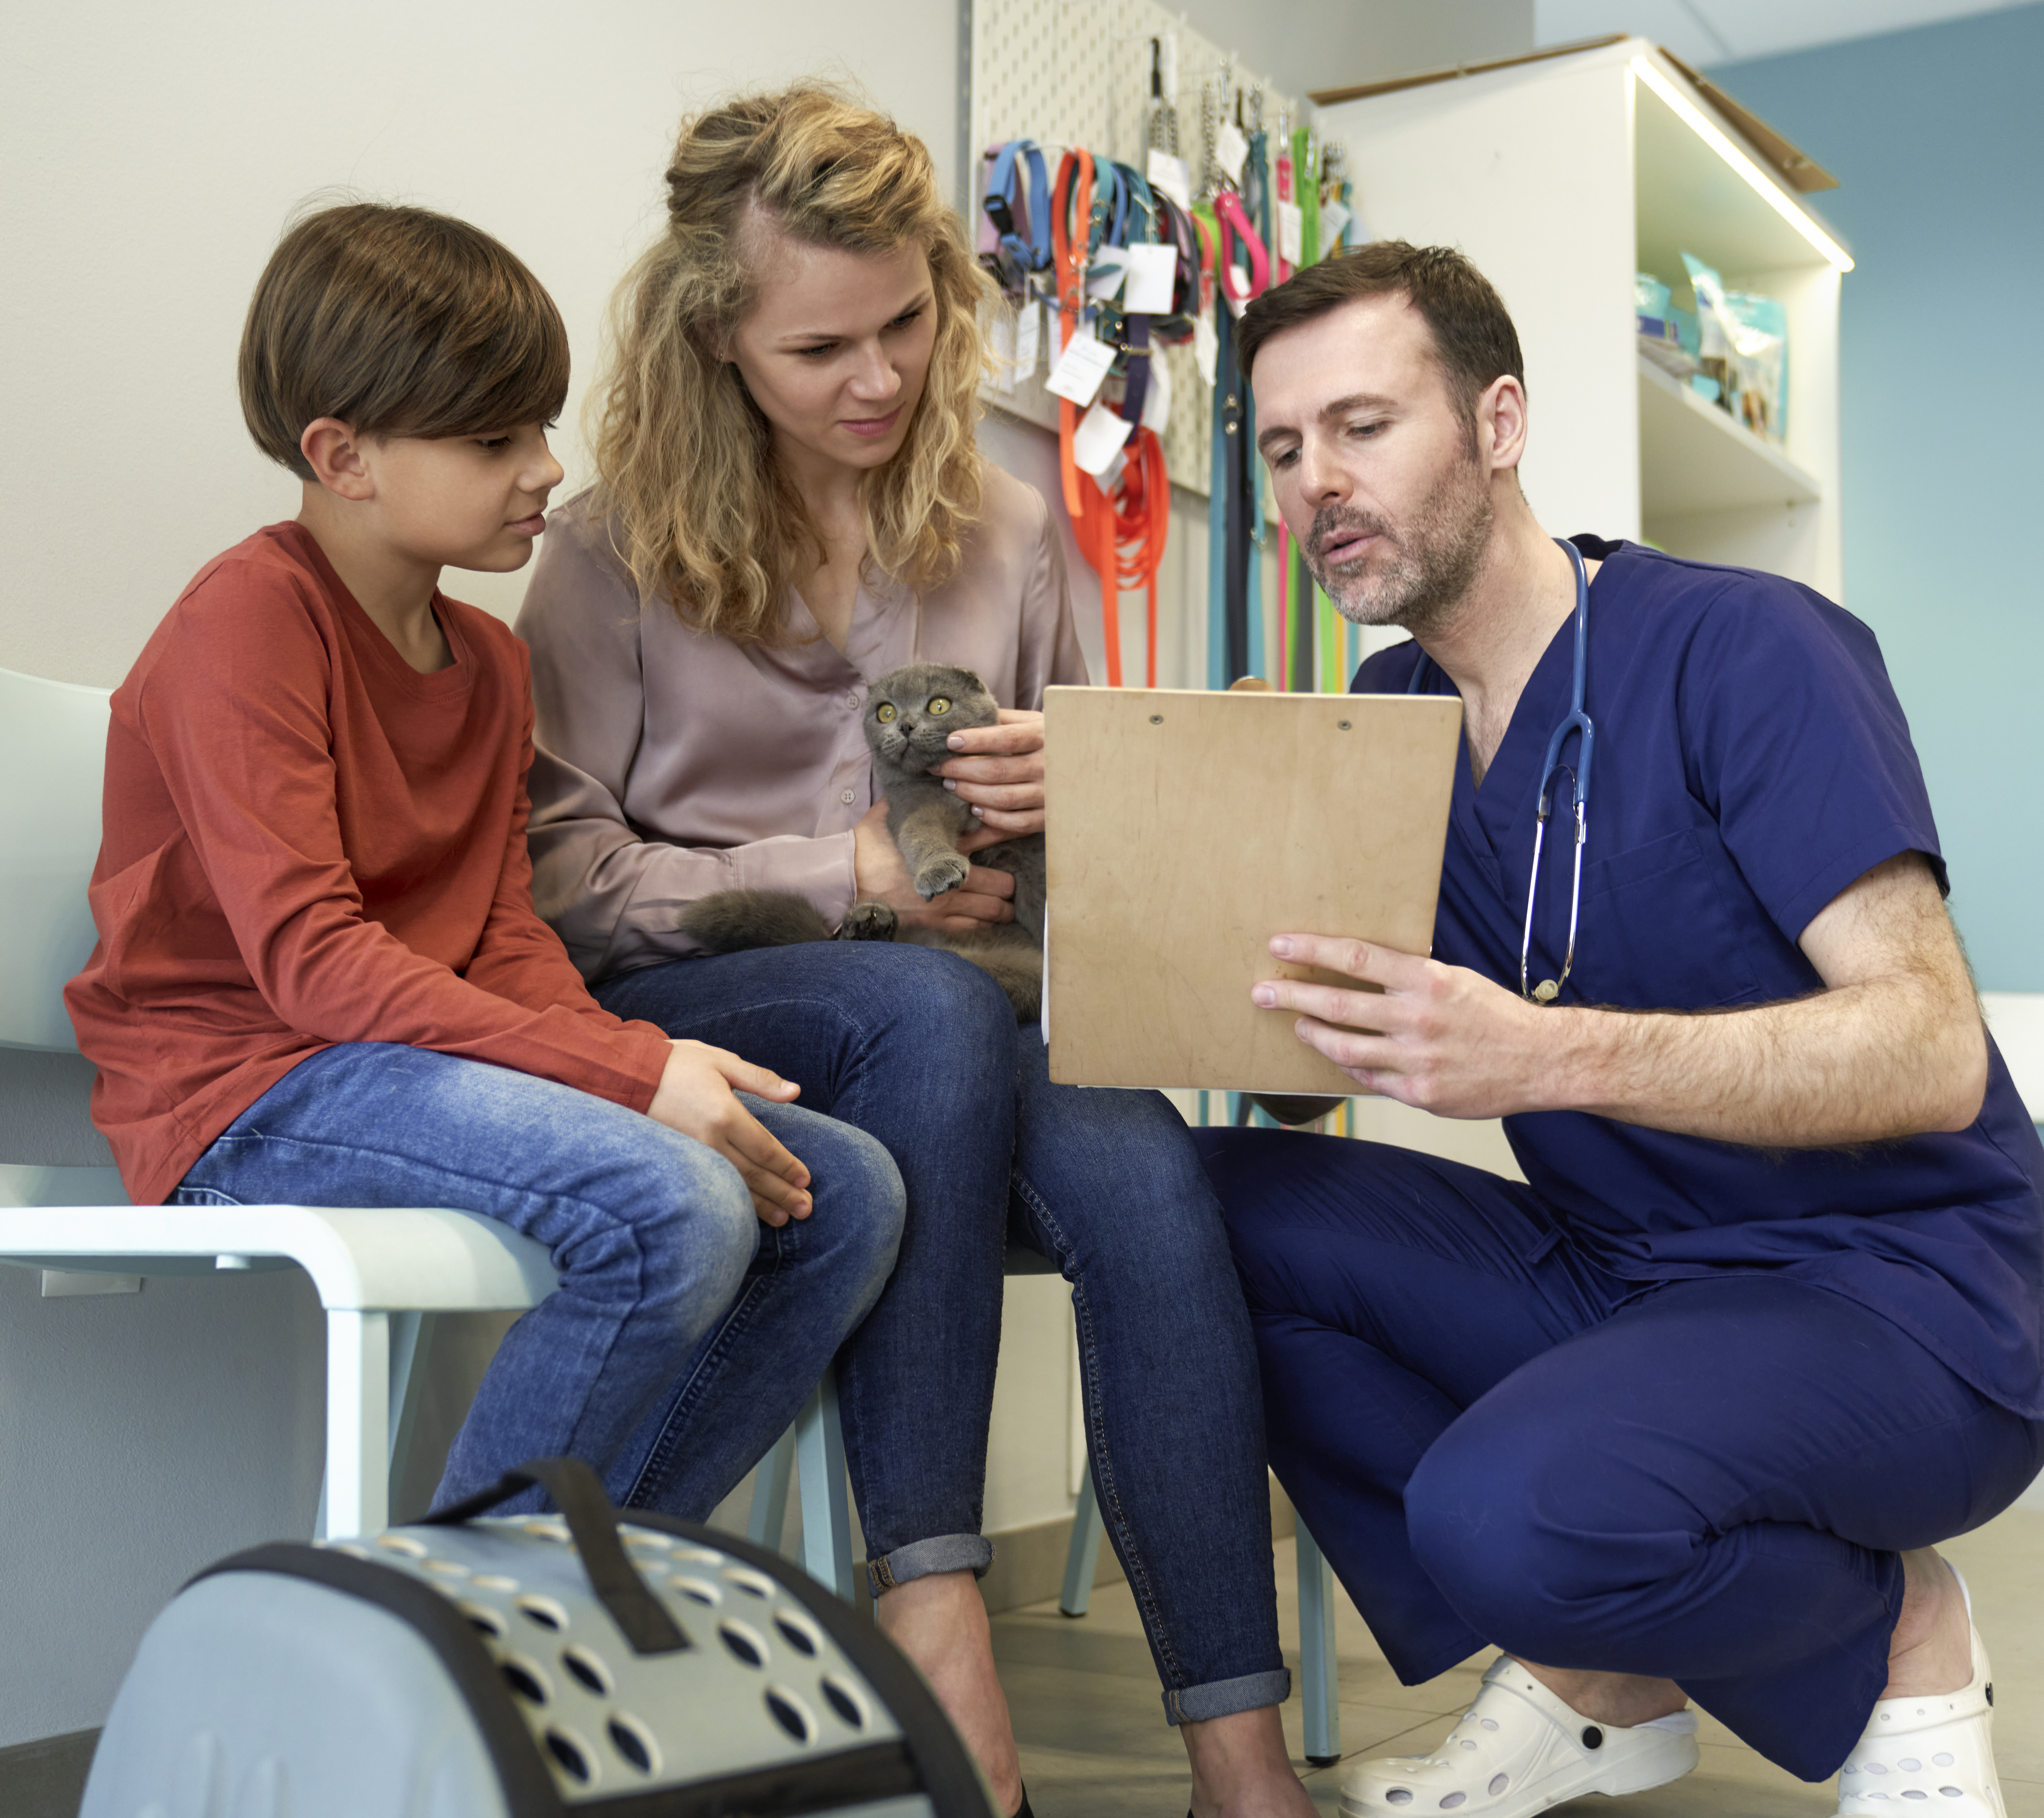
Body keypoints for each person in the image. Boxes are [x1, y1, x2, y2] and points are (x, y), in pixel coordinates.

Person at [1194, 242, 2044, 1818]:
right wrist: (1221, 844)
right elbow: (1298, 1100)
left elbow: (1929, 1049)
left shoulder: (1748, 650)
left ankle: (1895, 1634)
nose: (1314, 482)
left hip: (1894, 1296)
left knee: (1502, 1515)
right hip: (1621, 1276)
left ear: (1497, 422)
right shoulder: (1384, 720)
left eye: (1361, 426)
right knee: (1194, 1209)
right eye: (1280, 449)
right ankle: (1603, 1680)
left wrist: (1544, 1056)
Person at [517, 87, 1312, 1818]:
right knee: (924, 1007)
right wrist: (849, 876)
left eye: (905, 323)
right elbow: (557, 880)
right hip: (712, 1012)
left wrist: (1088, 794)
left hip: (975, 1015)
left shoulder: (1009, 531)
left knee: (1148, 1174)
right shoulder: (603, 550)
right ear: (718, 342)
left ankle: (1242, 1770)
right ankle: (934, 1615)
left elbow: (1074, 886)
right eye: (820, 349)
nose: (878, 378)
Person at [65, 202, 905, 1525]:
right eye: (492, 440)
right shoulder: (248, 622)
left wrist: (624, 1060)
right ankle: (465, 1613)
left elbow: (504, 934)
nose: (545, 470)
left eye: (540, 428)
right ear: (342, 455)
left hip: (398, 1062)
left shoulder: (492, 663)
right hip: (241, 1087)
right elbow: (313, 966)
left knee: (844, 1193)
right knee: (675, 1206)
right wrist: (633, 1077)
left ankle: (578, 1577)